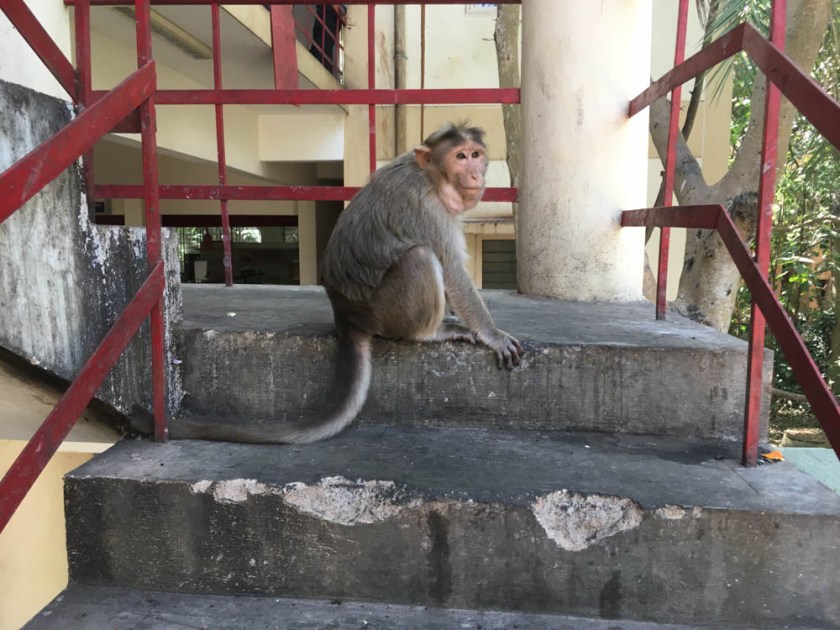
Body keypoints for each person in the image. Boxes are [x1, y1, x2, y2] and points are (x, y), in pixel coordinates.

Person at [310, 4, 347, 72]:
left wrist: (340, 10)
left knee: (324, 44)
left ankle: (324, 67)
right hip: (330, 9)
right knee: (322, 43)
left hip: (333, 11)